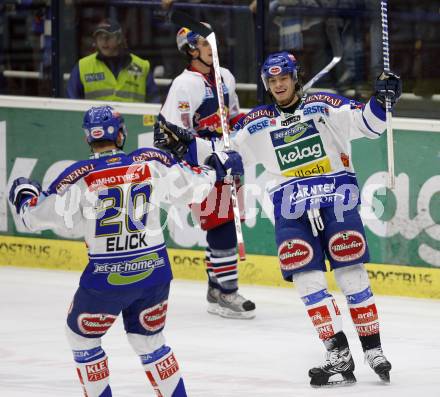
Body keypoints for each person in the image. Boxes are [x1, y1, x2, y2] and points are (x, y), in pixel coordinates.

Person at [155, 51, 402, 387]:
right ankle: (338, 354)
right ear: (266, 84)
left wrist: (383, 98)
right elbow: (223, 151)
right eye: (272, 80)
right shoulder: (256, 122)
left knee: (351, 274)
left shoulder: (325, 104)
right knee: (307, 280)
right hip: (290, 205)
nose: (279, 84)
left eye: (283, 78)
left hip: (336, 196)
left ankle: (374, 350)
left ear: (295, 77)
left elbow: (370, 124)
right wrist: (183, 142)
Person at [8, 105, 244, 397]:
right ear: (120, 134)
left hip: (106, 279)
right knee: (150, 343)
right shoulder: (150, 161)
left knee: (81, 339)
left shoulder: (80, 175)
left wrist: (23, 194)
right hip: (154, 273)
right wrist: (218, 165)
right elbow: (195, 186)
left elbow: (34, 218)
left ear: (88, 138)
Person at [159, 25, 256, 319]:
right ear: (191, 49)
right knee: (221, 224)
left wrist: (249, 125)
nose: (212, 46)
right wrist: (211, 156)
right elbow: (176, 134)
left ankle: (216, 289)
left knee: (227, 220)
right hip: (200, 165)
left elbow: (234, 115)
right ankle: (226, 293)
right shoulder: (183, 85)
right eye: (204, 43)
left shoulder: (225, 76)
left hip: (226, 157)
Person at [67, 18, 160, 103]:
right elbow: (71, 101)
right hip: (95, 121)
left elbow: (154, 100)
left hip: (133, 120)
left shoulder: (142, 66)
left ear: (119, 39)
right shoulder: (83, 66)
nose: (103, 41)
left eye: (108, 37)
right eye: (100, 38)